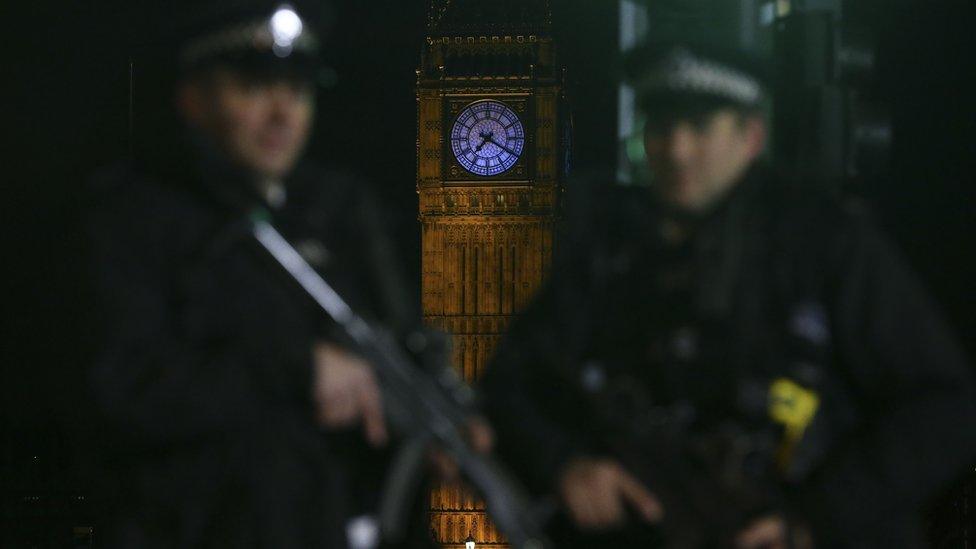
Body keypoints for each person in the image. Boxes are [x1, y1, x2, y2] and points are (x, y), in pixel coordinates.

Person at [481, 41, 976, 548]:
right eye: (661, 127)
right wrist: (565, 463)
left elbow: (944, 406)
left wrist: (813, 520)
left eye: (700, 127)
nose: (676, 150)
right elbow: (511, 383)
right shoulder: (608, 247)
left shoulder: (823, 242)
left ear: (751, 136)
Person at [86, 2, 424, 547]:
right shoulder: (133, 221)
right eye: (254, 86)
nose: (283, 114)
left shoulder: (335, 213)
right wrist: (296, 370)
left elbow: (392, 340)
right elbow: (119, 392)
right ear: (194, 100)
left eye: (299, 90)